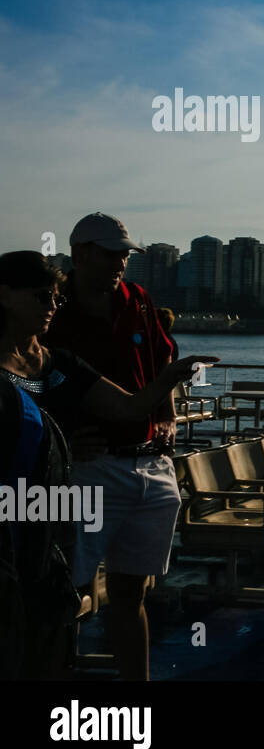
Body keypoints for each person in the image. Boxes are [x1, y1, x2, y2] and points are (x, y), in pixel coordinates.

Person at [1, 250, 215, 679]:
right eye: (41, 297)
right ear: (4, 295)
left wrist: (169, 377)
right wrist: (60, 442)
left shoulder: (58, 364)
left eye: (57, 299)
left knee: (48, 617)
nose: (51, 308)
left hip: (47, 518)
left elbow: (130, 408)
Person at [40, 214, 194, 681]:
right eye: (111, 253)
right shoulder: (52, 310)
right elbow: (28, 377)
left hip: (147, 463)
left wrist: (166, 414)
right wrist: (60, 435)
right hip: (88, 468)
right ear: (80, 252)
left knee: (131, 593)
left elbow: (160, 359)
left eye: (124, 253)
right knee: (65, 589)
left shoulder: (138, 301)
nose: (121, 262)